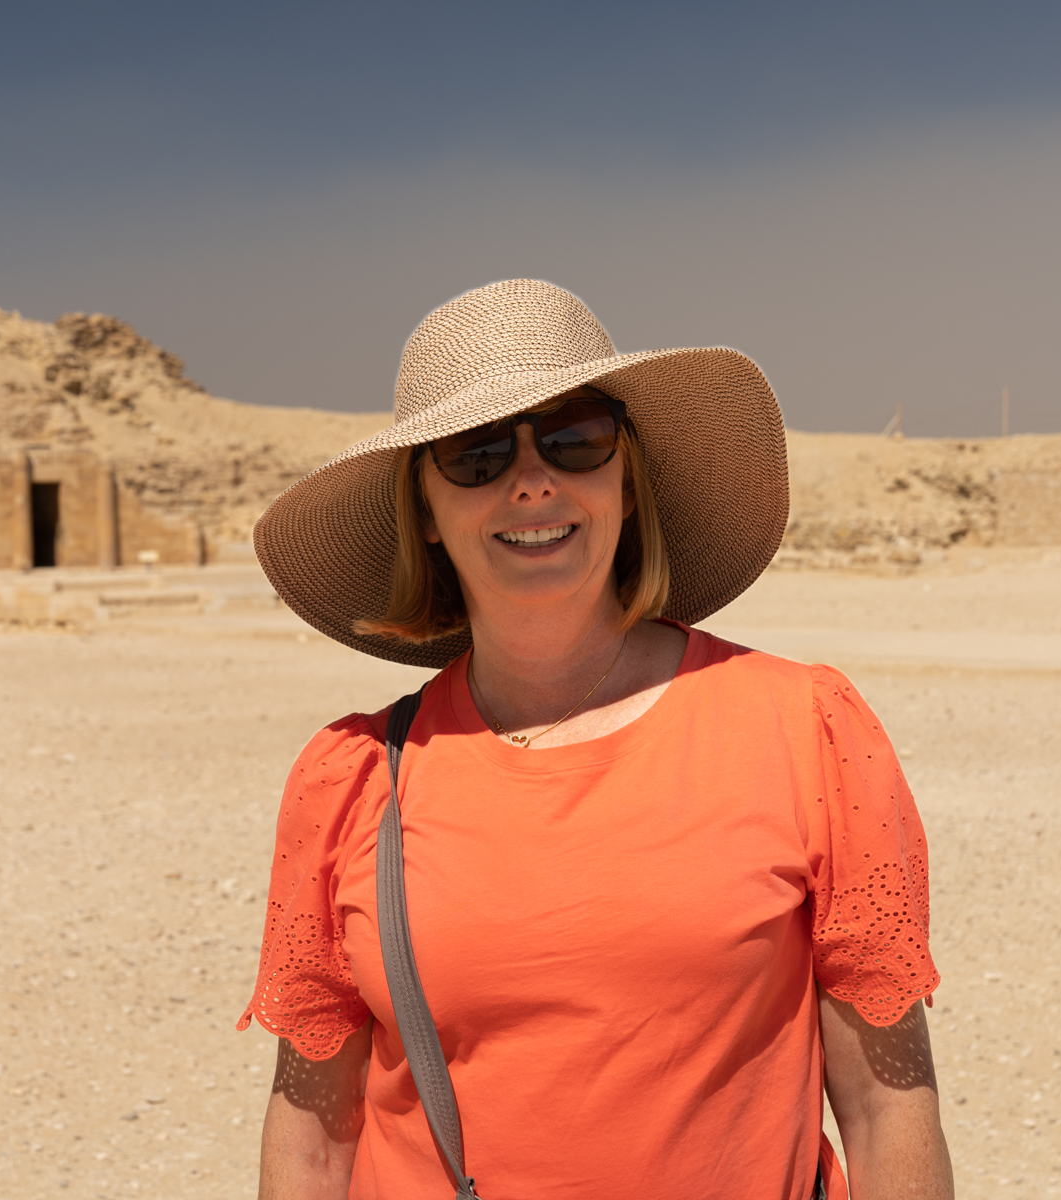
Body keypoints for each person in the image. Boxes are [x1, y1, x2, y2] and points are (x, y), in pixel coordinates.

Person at [239, 279, 952, 1200]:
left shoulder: (805, 728)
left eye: (576, 437)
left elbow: (886, 1104)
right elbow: (312, 1138)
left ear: (626, 472)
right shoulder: (353, 780)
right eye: (476, 453)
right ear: (422, 508)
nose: (532, 481)